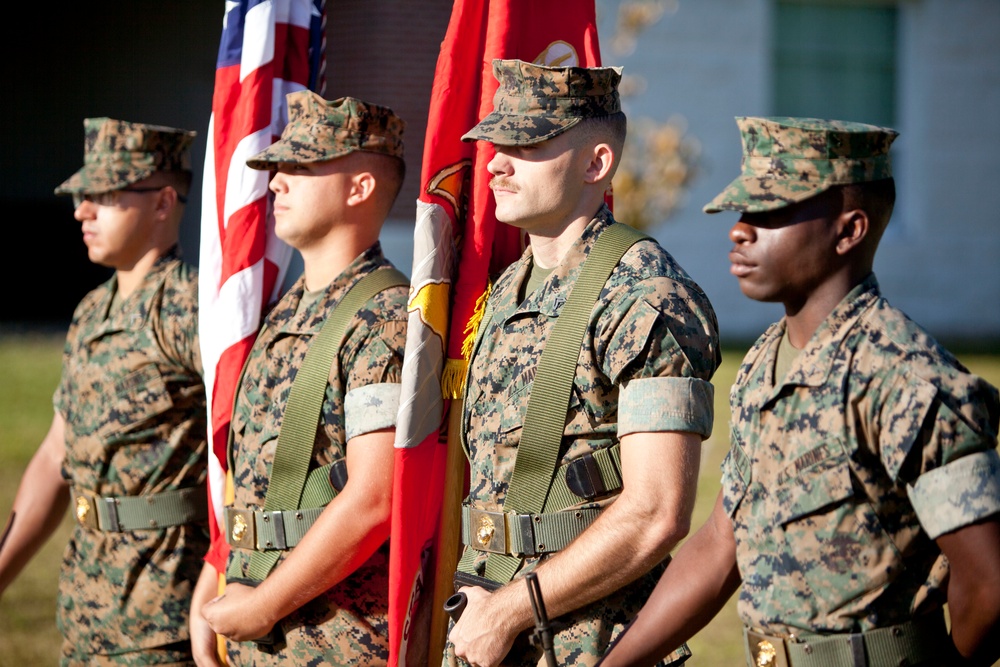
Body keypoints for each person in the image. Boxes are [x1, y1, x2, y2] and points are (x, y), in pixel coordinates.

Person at [597, 116, 1000, 667]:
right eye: (743, 212)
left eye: (772, 213)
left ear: (849, 230)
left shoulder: (903, 377)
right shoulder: (765, 361)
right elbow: (721, 547)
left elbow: (989, 585)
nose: (741, 230)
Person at [444, 58, 721, 667]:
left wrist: (512, 611)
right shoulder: (511, 287)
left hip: (586, 641)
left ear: (597, 163)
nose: (495, 162)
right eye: (497, 142)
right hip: (484, 623)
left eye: (528, 143)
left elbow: (657, 511)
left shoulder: (645, 297)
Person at [189, 91, 410, 667]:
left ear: (359, 187)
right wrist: (215, 582)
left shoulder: (383, 316)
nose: (276, 183)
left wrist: (264, 604)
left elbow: (374, 497)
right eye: (277, 168)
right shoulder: (288, 309)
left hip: (333, 638)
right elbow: (257, 476)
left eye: (301, 167)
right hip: (258, 623)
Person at [0, 118, 209, 665]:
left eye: (104, 196)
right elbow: (55, 455)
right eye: (82, 196)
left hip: (163, 612)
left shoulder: (191, 311)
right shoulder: (92, 311)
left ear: (163, 203)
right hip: (86, 602)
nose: (81, 211)